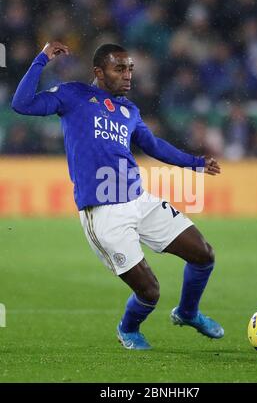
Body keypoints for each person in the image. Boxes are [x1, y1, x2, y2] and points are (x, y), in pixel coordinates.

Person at [12, 41, 224, 350]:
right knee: (150, 292)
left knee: (204, 254)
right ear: (98, 72)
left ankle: (188, 312)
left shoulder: (129, 110)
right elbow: (22, 103)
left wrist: (195, 163)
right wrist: (42, 59)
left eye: (130, 69)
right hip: (104, 212)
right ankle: (128, 329)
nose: (128, 76)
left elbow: (153, 145)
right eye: (119, 69)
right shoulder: (73, 95)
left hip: (140, 200)